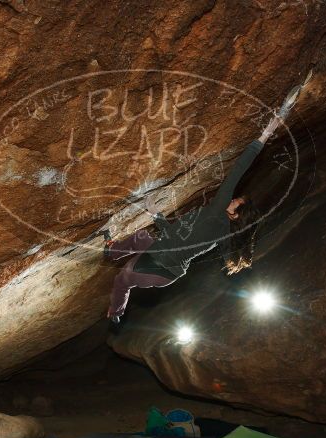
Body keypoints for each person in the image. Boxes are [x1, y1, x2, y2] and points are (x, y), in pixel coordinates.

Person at [102, 116, 280, 324]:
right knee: (141, 238)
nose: (232, 199)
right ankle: (111, 250)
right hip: (165, 262)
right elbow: (178, 236)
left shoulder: (217, 212)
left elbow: (238, 171)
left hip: (159, 265)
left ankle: (115, 313)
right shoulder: (222, 232)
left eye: (236, 202)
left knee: (122, 280)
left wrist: (264, 136)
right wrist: (157, 215)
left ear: (236, 214)